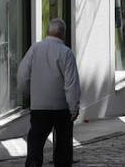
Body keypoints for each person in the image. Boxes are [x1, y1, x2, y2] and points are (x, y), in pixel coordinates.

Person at [17, 18, 81, 167]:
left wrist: (28, 95)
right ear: (63, 34)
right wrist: (74, 107)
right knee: (63, 148)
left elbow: (22, 75)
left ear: (48, 32)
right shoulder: (66, 53)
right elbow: (71, 84)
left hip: (39, 107)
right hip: (61, 108)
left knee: (36, 144)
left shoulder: (35, 49)